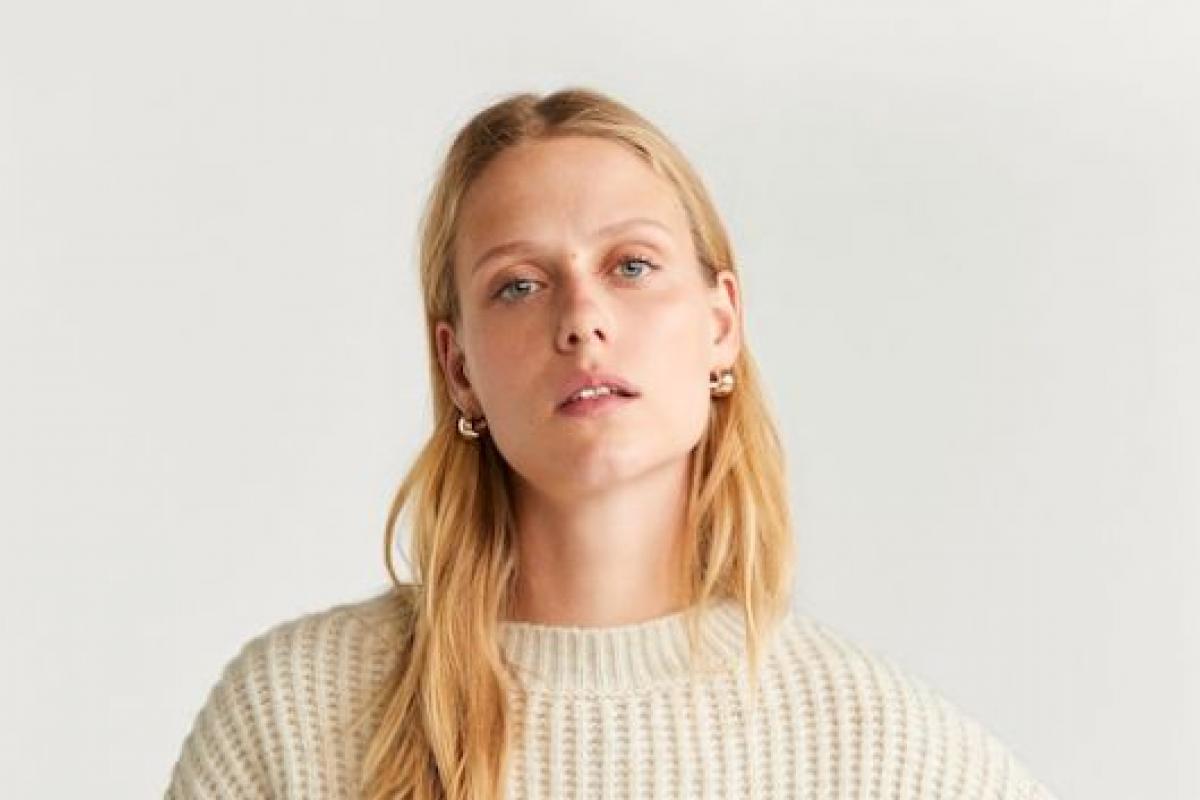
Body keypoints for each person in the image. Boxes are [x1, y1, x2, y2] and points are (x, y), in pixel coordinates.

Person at [164, 87, 1058, 800]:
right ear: (458, 366)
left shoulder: (881, 752)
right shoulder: (295, 715)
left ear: (721, 323)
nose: (582, 318)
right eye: (519, 285)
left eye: (631, 266)